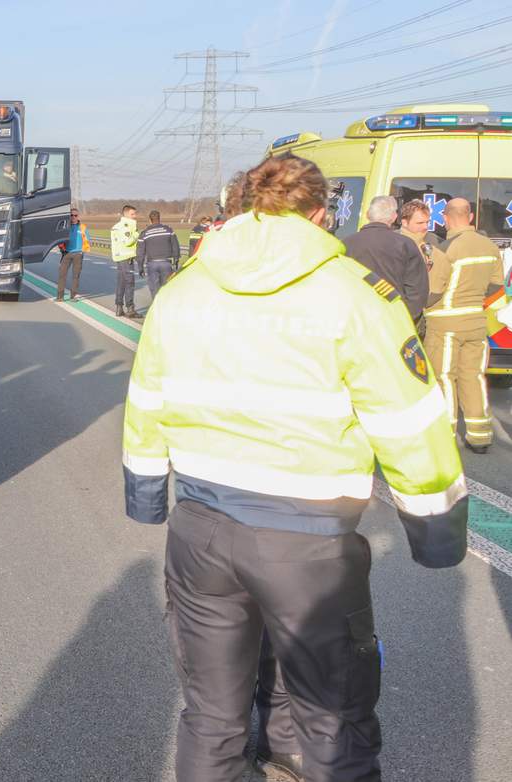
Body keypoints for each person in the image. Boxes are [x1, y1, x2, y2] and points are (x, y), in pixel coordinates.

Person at [123, 154, 468, 781]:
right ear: (319, 213)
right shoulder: (354, 293)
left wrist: (147, 493)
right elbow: (407, 420)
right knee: (334, 720)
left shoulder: (184, 290)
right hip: (308, 542)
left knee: (210, 718)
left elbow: (146, 399)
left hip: (199, 530)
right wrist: (435, 529)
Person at [425, 197, 503, 454]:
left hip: (445, 323)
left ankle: (445, 437)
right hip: (476, 324)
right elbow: (496, 286)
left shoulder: (446, 249)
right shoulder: (490, 247)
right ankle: (479, 436)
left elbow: (434, 291)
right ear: (470, 217)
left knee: (445, 378)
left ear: (446, 218)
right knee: (474, 377)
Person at [340, 195, 429, 324]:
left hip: (357, 319)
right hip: (393, 320)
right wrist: (405, 318)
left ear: (367, 215)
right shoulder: (405, 245)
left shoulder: (346, 243)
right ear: (393, 217)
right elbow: (418, 291)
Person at [136, 209, 180, 300]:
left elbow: (140, 252)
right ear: (159, 218)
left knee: (154, 288)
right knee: (166, 287)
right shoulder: (168, 230)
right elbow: (175, 245)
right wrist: (176, 260)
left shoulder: (145, 233)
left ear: (150, 220)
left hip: (152, 264)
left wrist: (140, 267)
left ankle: (156, 306)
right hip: (166, 263)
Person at [399, 199, 446, 274]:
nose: (425, 226)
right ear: (404, 222)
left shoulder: (436, 241)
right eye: (420, 223)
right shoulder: (392, 241)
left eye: (427, 222)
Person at [110, 204, 141, 317]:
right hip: (126, 258)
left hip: (119, 257)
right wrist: (137, 234)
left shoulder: (116, 226)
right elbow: (128, 241)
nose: (135, 216)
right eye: (133, 214)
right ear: (126, 214)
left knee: (121, 283)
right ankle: (130, 309)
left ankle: (119, 307)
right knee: (130, 284)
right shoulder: (126, 226)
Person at [54, 208, 90, 301]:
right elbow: (59, 239)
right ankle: (60, 296)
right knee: (62, 275)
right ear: (68, 216)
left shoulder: (83, 227)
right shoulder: (65, 227)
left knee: (76, 275)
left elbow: (87, 240)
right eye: (71, 215)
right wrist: (61, 249)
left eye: (75, 215)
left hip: (78, 254)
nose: (73, 217)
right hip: (66, 253)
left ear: (78, 216)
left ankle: (73, 296)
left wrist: (82, 250)